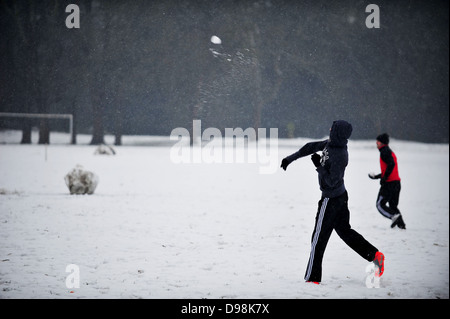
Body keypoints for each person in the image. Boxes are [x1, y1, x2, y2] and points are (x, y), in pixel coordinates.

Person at [280, 120, 384, 284]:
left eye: (332, 128)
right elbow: (310, 147)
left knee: (318, 239)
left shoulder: (340, 155)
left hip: (331, 199)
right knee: (345, 232)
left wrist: (318, 166)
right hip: (340, 197)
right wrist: (290, 159)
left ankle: (312, 279)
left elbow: (330, 182)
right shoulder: (331, 144)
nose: (329, 129)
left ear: (338, 132)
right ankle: (375, 255)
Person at [368, 133, 406, 229]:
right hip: (396, 183)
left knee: (379, 204)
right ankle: (401, 226)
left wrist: (384, 178)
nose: (376, 143)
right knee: (393, 206)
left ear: (382, 143)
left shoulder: (384, 151)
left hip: (389, 184)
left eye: (378, 141)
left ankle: (394, 217)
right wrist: (377, 176)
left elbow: (391, 165)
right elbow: (389, 169)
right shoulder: (389, 151)